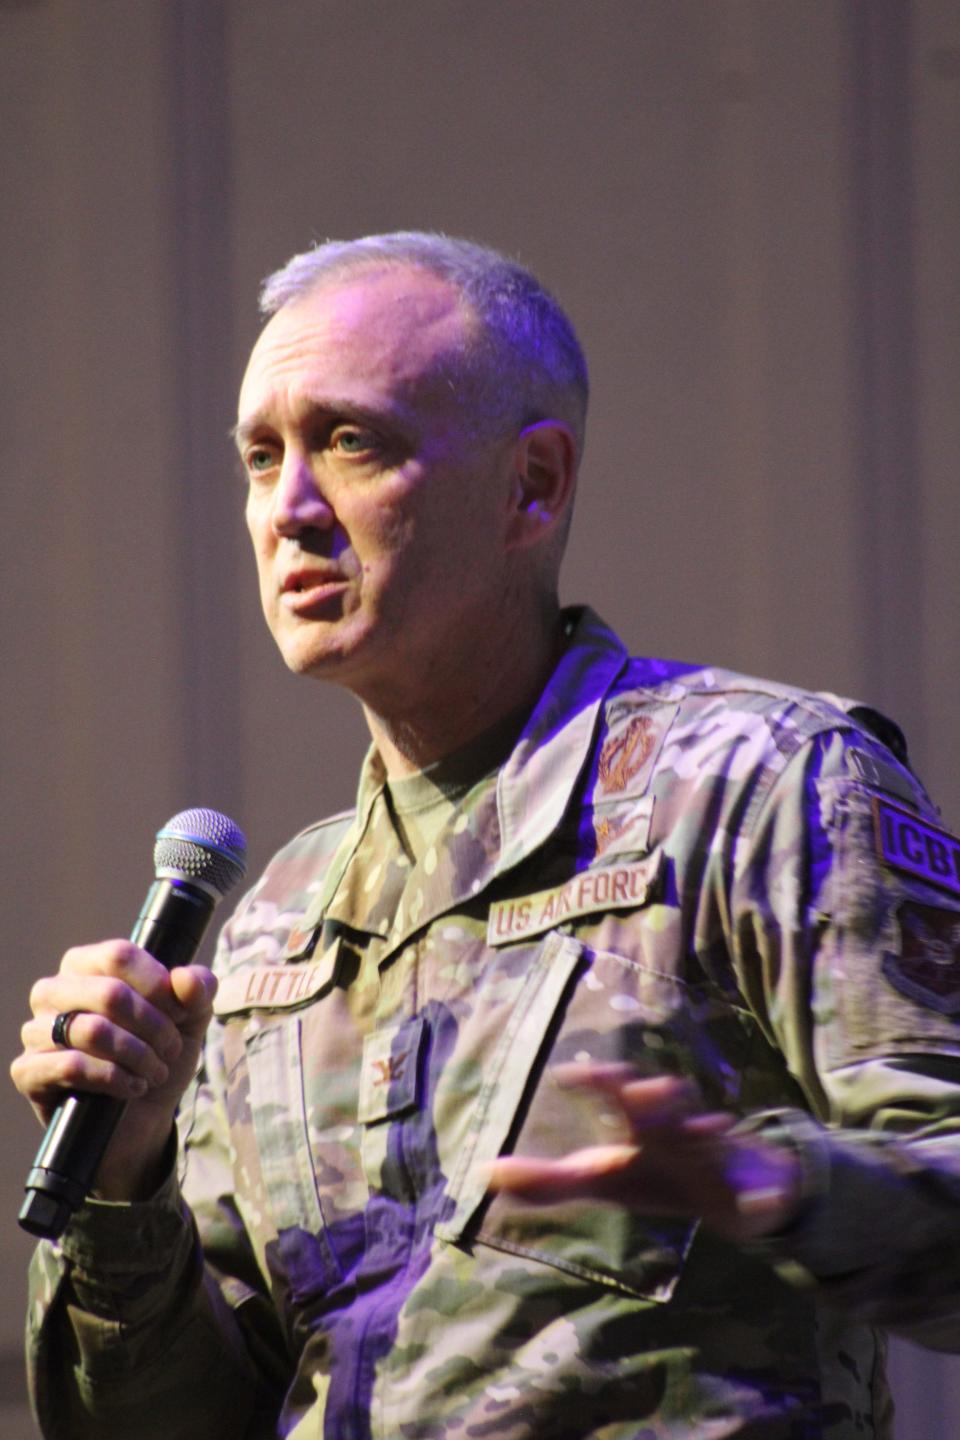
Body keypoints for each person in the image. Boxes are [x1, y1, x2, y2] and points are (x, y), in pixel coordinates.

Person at [13, 232, 960, 1440]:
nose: (289, 511)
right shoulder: (271, 929)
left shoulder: (763, 786)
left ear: (534, 485)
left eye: (351, 443)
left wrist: (775, 1185)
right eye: (261, 458)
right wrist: (124, 1180)